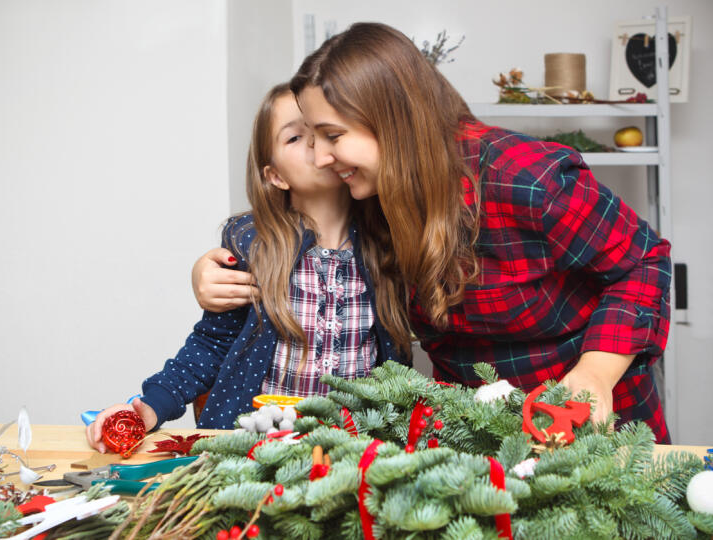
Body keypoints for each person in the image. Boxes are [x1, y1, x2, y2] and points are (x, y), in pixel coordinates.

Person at [192, 23, 673, 443]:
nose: (320, 157)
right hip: (474, 435)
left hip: (591, 425)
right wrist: (209, 273)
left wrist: (595, 374)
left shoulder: (526, 179)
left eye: (333, 136)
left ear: (391, 121)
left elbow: (644, 262)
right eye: (311, 140)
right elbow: (293, 235)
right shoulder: (373, 200)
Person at [86, 83, 411, 452]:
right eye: (295, 137)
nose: (315, 145)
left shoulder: (388, 241)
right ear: (275, 176)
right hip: (261, 451)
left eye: (324, 132)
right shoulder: (252, 245)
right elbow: (210, 344)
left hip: (356, 451)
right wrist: (148, 408)